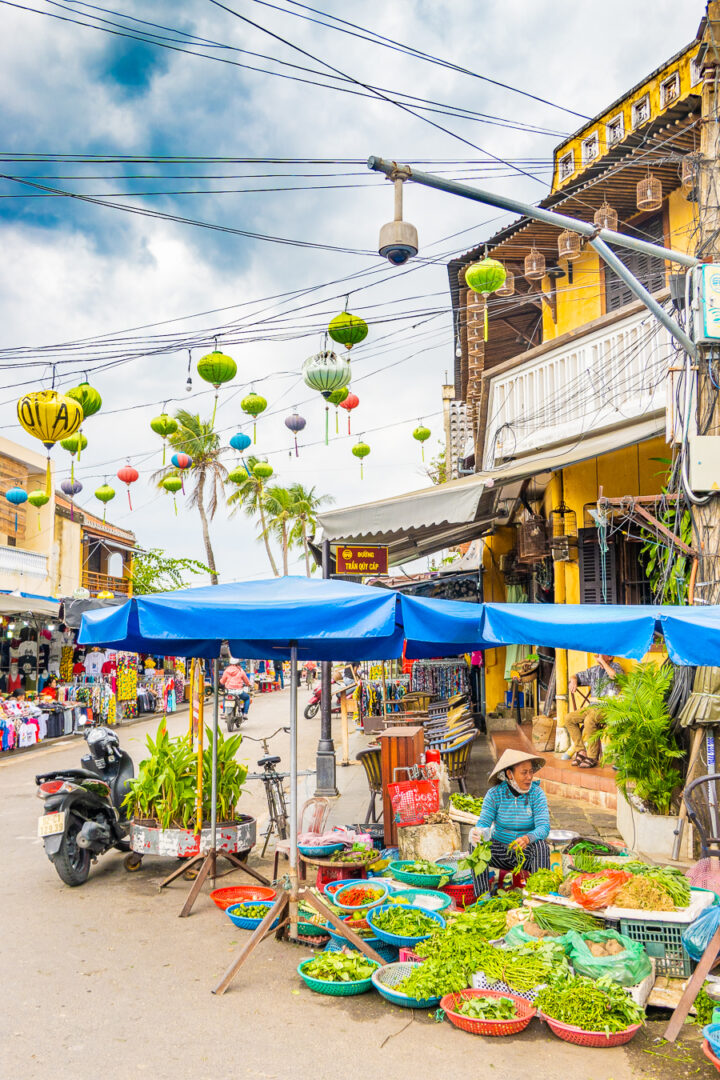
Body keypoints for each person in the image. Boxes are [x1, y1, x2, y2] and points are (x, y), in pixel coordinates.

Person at [468, 749, 551, 897]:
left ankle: (539, 896)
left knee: (541, 846)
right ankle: (482, 897)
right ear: (509, 774)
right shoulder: (495, 794)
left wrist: (527, 838)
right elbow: (483, 823)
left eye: (531, 772)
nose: (529, 777)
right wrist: (478, 833)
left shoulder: (537, 794)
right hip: (500, 852)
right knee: (475, 844)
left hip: (526, 853)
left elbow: (543, 827)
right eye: (524, 772)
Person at [564, 654, 623, 768]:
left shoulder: (616, 667)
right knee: (569, 718)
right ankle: (581, 751)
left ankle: (592, 757)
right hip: (592, 707)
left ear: (610, 657)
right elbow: (575, 675)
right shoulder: (594, 670)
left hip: (608, 707)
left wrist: (603, 663)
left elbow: (616, 677)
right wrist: (574, 680)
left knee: (589, 720)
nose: (598, 654)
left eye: (602, 653)